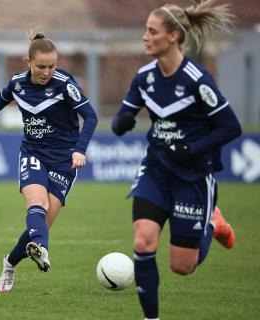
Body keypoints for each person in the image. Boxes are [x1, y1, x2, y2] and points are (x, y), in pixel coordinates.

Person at [111, 1, 241, 319]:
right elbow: (117, 124)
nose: (145, 37)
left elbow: (231, 127)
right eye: (145, 30)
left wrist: (191, 149)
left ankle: (213, 222)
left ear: (172, 37)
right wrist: (124, 120)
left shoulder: (198, 79)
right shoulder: (144, 78)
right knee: (143, 242)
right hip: (156, 169)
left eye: (151, 31)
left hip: (193, 176)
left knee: (182, 267)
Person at [0, 31, 98, 292]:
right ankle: (44, 252)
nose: (47, 72)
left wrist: (80, 150)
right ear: (28, 61)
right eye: (41, 66)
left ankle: (10, 263)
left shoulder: (64, 84)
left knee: (40, 227)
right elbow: (2, 98)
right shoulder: (18, 83)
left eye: (52, 66)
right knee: (36, 204)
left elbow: (91, 116)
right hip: (33, 153)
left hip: (64, 160)